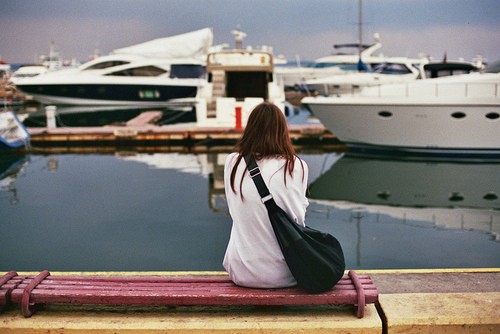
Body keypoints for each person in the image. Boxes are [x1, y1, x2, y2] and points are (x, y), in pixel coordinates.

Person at [223, 102, 309, 288]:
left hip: (241, 272)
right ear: (282, 130)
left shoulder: (233, 162)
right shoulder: (296, 165)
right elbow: (299, 218)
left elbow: (233, 209)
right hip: (288, 273)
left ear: (250, 129)